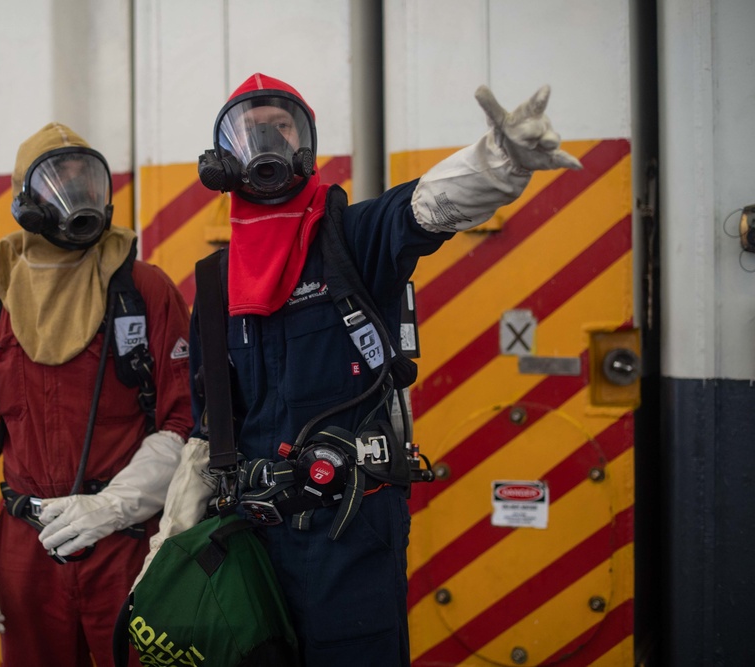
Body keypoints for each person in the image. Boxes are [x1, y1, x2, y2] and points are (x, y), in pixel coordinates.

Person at [142, 73, 584, 667]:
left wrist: (499, 163)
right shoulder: (217, 285)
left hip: (350, 532)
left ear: (306, 146)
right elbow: (206, 431)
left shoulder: (353, 237)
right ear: (222, 161)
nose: (266, 144)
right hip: (250, 537)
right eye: (250, 133)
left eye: (282, 128)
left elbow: (426, 207)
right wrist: (168, 543)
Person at [0, 123, 192, 667]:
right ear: (25, 200)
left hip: (128, 542)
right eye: (60, 182)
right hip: (27, 550)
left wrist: (111, 507)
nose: (77, 197)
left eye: (86, 182)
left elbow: (184, 420)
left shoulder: (144, 290)